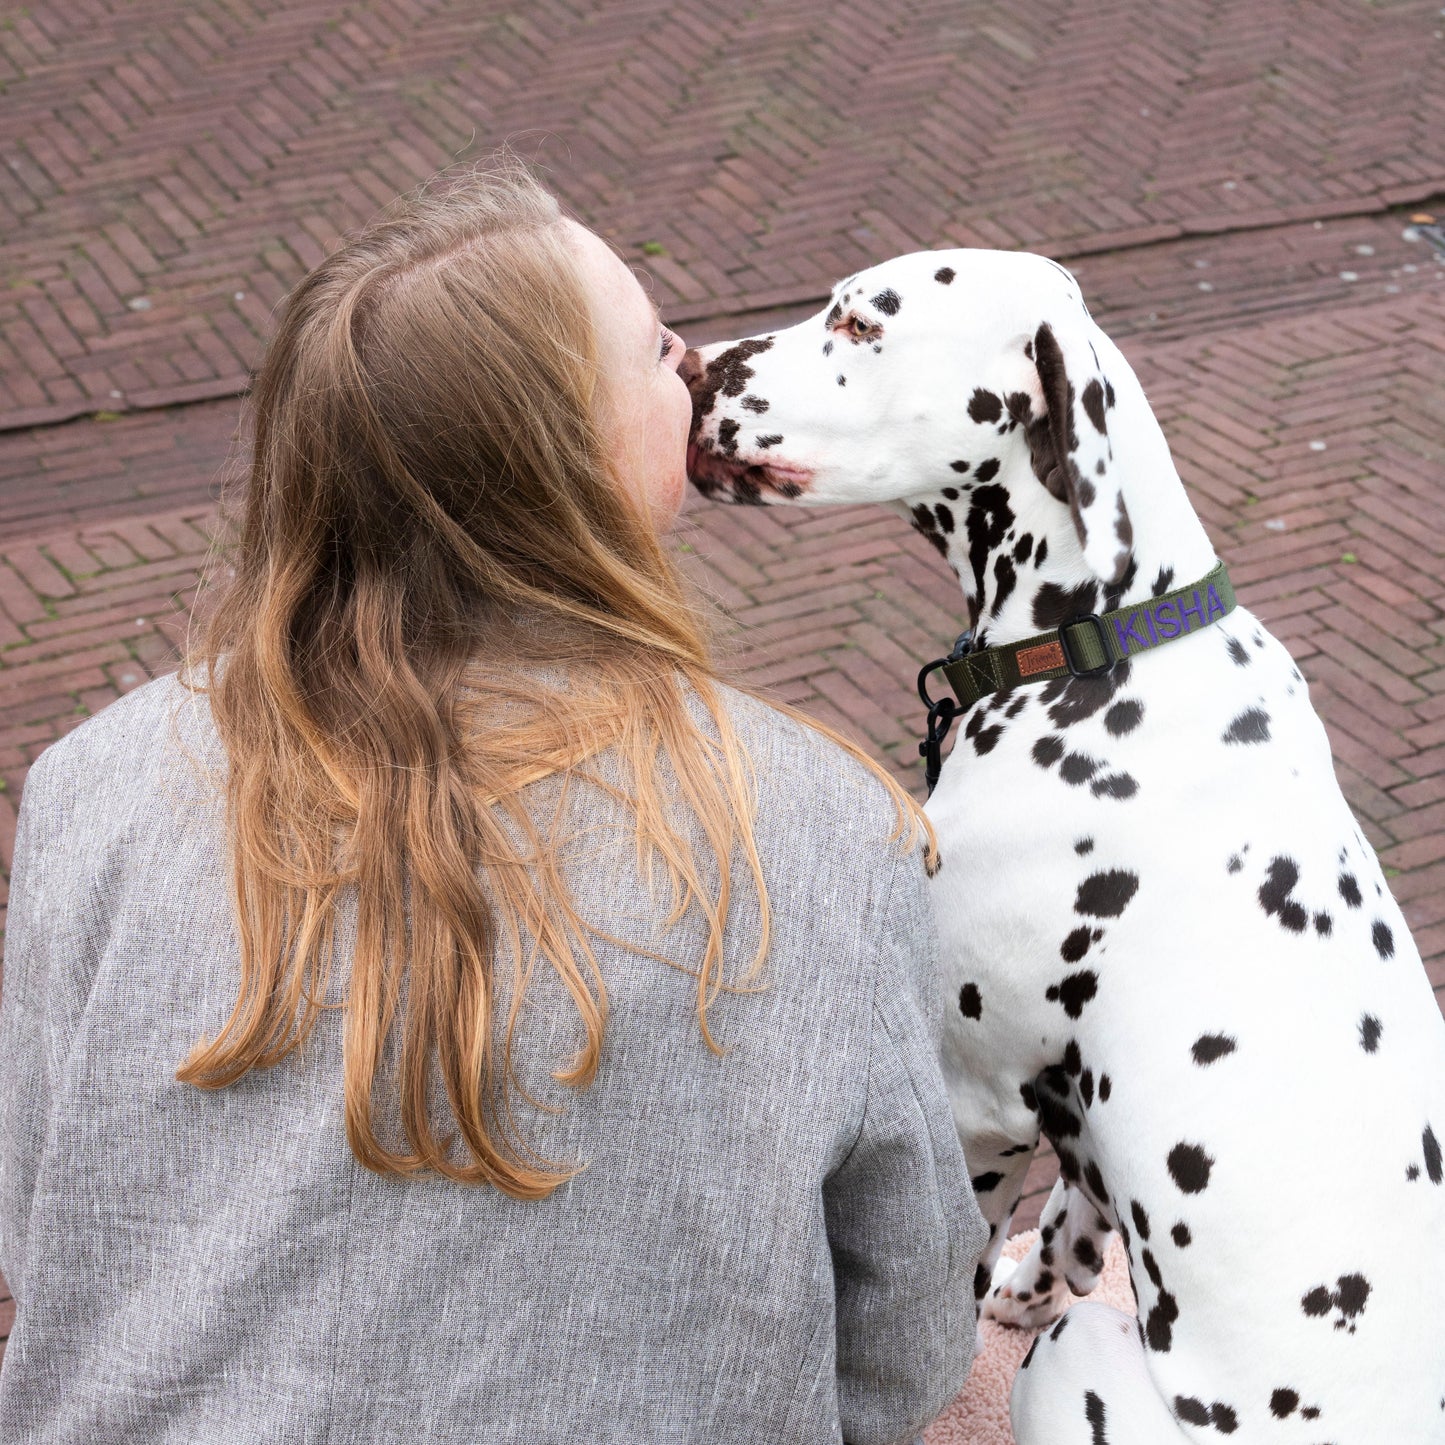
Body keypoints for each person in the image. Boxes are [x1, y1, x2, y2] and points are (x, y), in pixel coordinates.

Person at [0, 161, 985, 1444]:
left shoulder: (91, 782)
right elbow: (902, 1346)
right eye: (648, 350)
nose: (691, 362)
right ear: (562, 458)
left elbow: (39, 1217)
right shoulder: (819, 830)